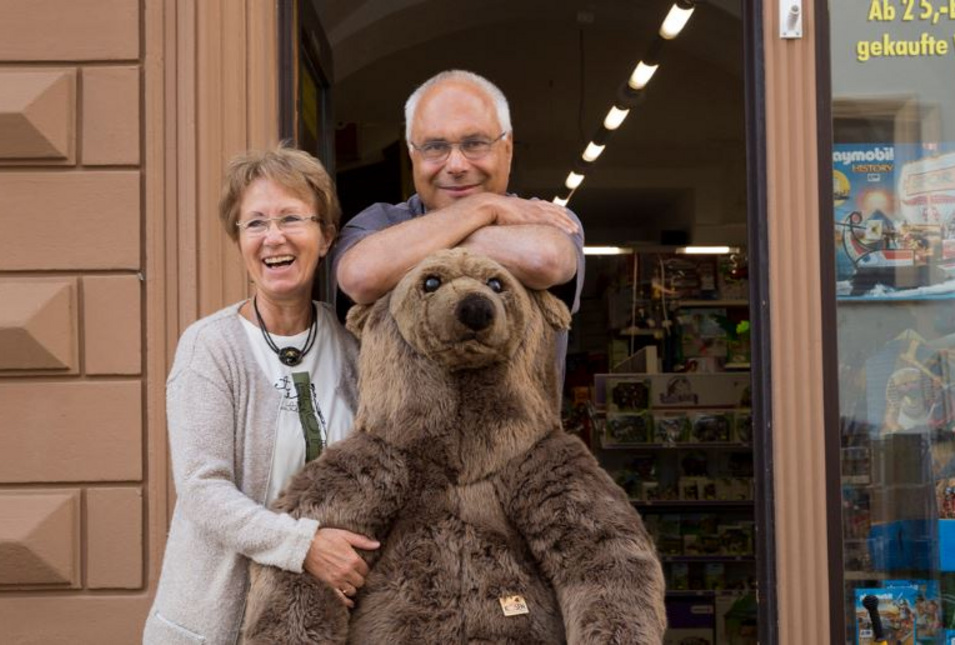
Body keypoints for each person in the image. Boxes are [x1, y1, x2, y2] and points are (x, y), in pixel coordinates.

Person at [143, 147, 378, 645]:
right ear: (239, 241)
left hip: (330, 621)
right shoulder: (210, 346)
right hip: (219, 623)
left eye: (292, 218)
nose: (274, 237)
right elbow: (203, 487)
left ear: (327, 236)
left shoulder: (353, 346)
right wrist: (304, 546)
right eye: (255, 224)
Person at [330, 69, 585, 371]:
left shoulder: (545, 218)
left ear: (507, 147)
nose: (456, 165)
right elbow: (359, 275)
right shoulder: (375, 221)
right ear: (413, 154)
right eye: (435, 147)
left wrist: (409, 248)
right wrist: (484, 207)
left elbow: (546, 258)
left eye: (475, 143)